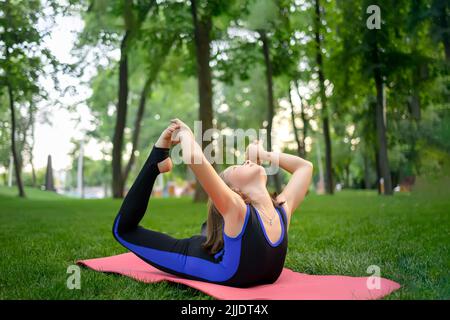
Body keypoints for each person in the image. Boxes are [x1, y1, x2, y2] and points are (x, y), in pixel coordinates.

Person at [112, 119, 313, 287]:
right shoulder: (237, 209)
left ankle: (211, 231)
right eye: (237, 167)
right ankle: (156, 161)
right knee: (124, 231)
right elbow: (193, 157)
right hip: (199, 257)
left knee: (211, 231)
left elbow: (305, 167)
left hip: (230, 242)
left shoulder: (281, 211)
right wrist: (184, 133)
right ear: (235, 191)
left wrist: (265, 155)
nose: (247, 162)